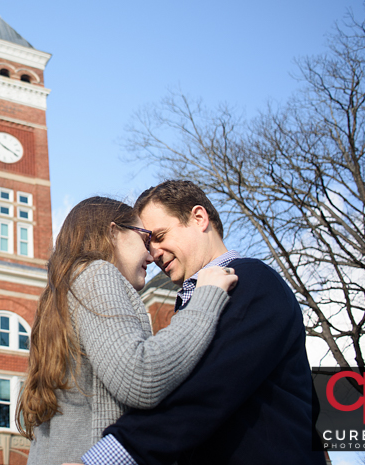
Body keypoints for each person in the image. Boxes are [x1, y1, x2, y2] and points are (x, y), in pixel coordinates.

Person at [81, 180, 325, 465]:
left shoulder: (251, 281)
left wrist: (109, 456)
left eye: (159, 235)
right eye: (148, 244)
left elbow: (206, 385)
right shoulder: (194, 305)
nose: (153, 253)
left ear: (199, 218)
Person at [17, 196, 238, 465]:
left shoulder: (60, 297)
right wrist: (206, 297)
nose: (152, 254)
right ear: (113, 232)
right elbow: (141, 377)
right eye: (145, 239)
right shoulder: (97, 273)